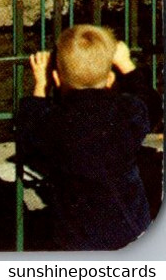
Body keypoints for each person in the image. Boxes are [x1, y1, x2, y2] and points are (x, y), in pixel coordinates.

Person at [16, 24, 162, 251]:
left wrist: (40, 86)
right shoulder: (127, 112)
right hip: (130, 226)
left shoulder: (53, 122)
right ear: (111, 78)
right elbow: (152, 103)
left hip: (76, 236)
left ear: (56, 77)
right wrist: (127, 65)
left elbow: (28, 128)